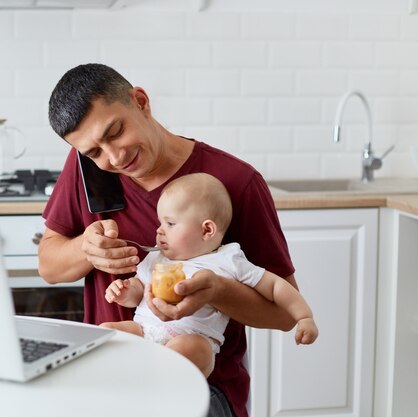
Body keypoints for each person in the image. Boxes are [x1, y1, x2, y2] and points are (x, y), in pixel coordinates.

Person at [39, 63, 298, 417]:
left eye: (115, 132)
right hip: (110, 384)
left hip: (200, 388)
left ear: (141, 102)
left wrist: (218, 291)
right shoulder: (90, 170)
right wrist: (85, 249)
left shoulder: (234, 182)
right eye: (94, 152)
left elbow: (286, 314)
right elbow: (48, 266)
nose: (113, 157)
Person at [100, 173, 318, 378]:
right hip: (144, 330)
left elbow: (274, 286)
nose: (159, 230)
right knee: (106, 332)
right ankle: (130, 379)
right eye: (160, 223)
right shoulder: (158, 258)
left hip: (191, 338)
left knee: (190, 350)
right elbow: (139, 291)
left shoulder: (227, 260)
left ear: (207, 230)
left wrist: (303, 316)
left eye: (170, 223)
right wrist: (125, 291)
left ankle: (154, 383)